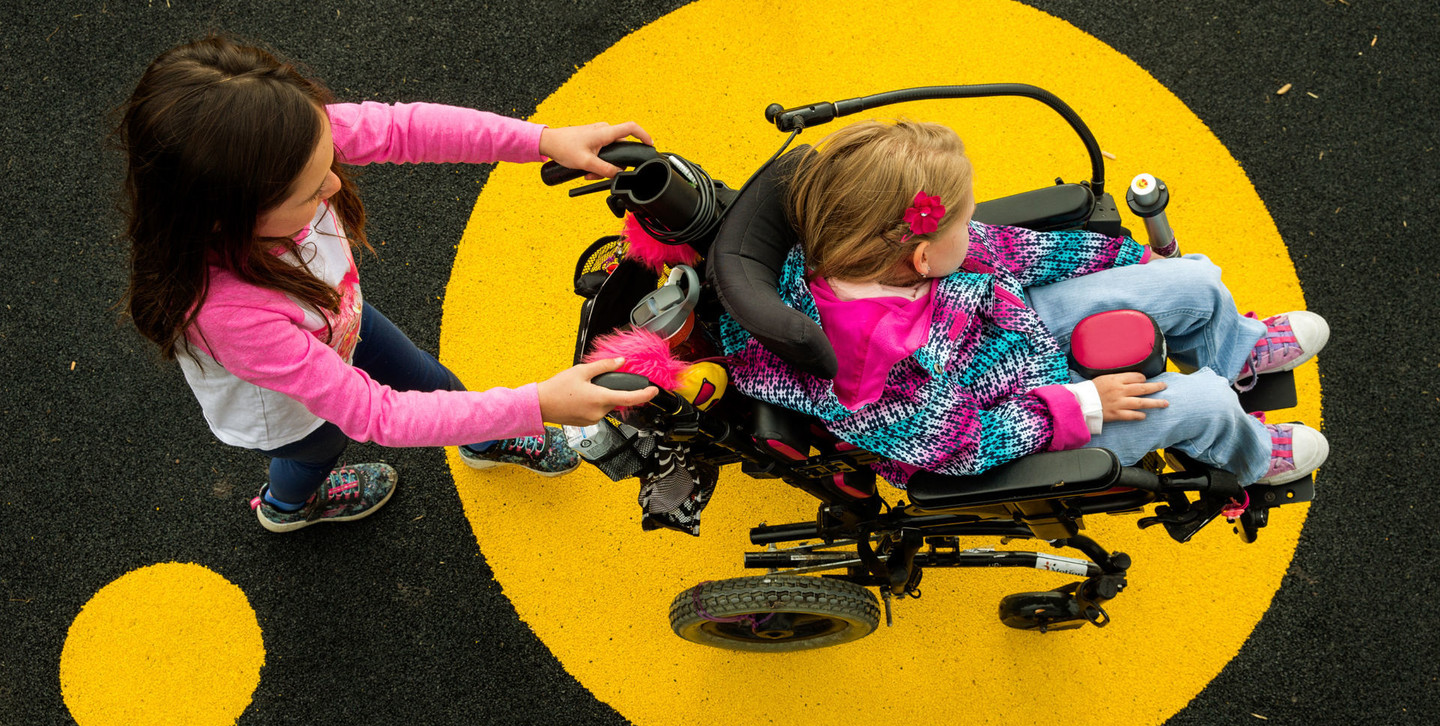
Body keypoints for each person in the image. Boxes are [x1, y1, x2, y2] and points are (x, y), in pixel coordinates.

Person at [119, 35, 657, 533]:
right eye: (310, 193)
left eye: (328, 160)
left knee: (431, 378)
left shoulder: (285, 139)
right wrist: (534, 404)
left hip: (341, 318)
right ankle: (290, 506)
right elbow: (375, 415)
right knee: (317, 449)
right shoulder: (230, 312)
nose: (332, 183)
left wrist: (542, 140)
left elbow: (405, 128)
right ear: (224, 217)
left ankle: (484, 433)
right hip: (290, 409)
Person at [720, 119, 1329, 489]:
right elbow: (960, 447)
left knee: (1189, 283)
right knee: (1202, 402)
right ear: (924, 261)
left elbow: (1009, 248)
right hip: (1018, 423)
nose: (974, 222)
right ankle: (1245, 454)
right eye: (962, 218)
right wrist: (1080, 403)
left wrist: (1129, 259)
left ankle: (1236, 349)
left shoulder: (854, 241)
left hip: (999, 331)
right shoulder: (870, 379)